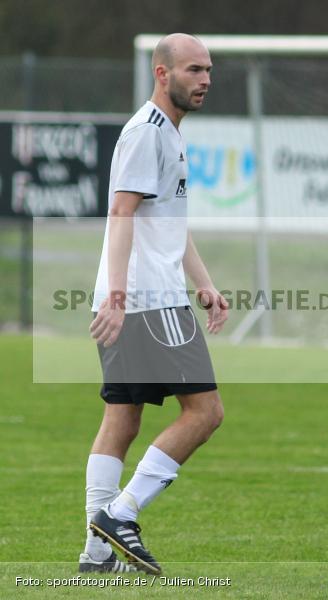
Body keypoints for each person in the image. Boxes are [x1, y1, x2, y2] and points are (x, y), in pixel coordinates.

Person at [78, 33, 228, 575]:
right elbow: (121, 214)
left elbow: (163, 221)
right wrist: (119, 296)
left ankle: (97, 554)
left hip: (140, 296)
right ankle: (121, 516)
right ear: (162, 74)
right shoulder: (148, 133)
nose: (205, 79)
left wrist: (204, 282)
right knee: (206, 413)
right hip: (148, 301)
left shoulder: (168, 134)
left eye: (208, 69)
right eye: (193, 70)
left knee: (122, 418)